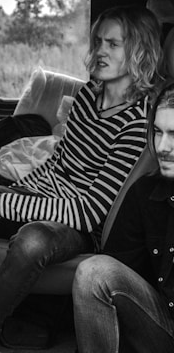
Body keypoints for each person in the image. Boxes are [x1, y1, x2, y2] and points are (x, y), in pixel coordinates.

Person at [0, 5, 163, 353]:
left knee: (32, 240)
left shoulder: (137, 121)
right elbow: (58, 163)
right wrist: (18, 192)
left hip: (78, 226)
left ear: (139, 51)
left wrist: (4, 204)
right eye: (98, 41)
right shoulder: (88, 95)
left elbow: (91, 211)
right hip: (38, 197)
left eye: (113, 44)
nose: (100, 51)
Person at [73, 82, 174, 353]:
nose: (163, 146)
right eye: (157, 132)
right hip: (164, 323)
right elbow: (119, 266)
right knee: (94, 271)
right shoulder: (144, 193)